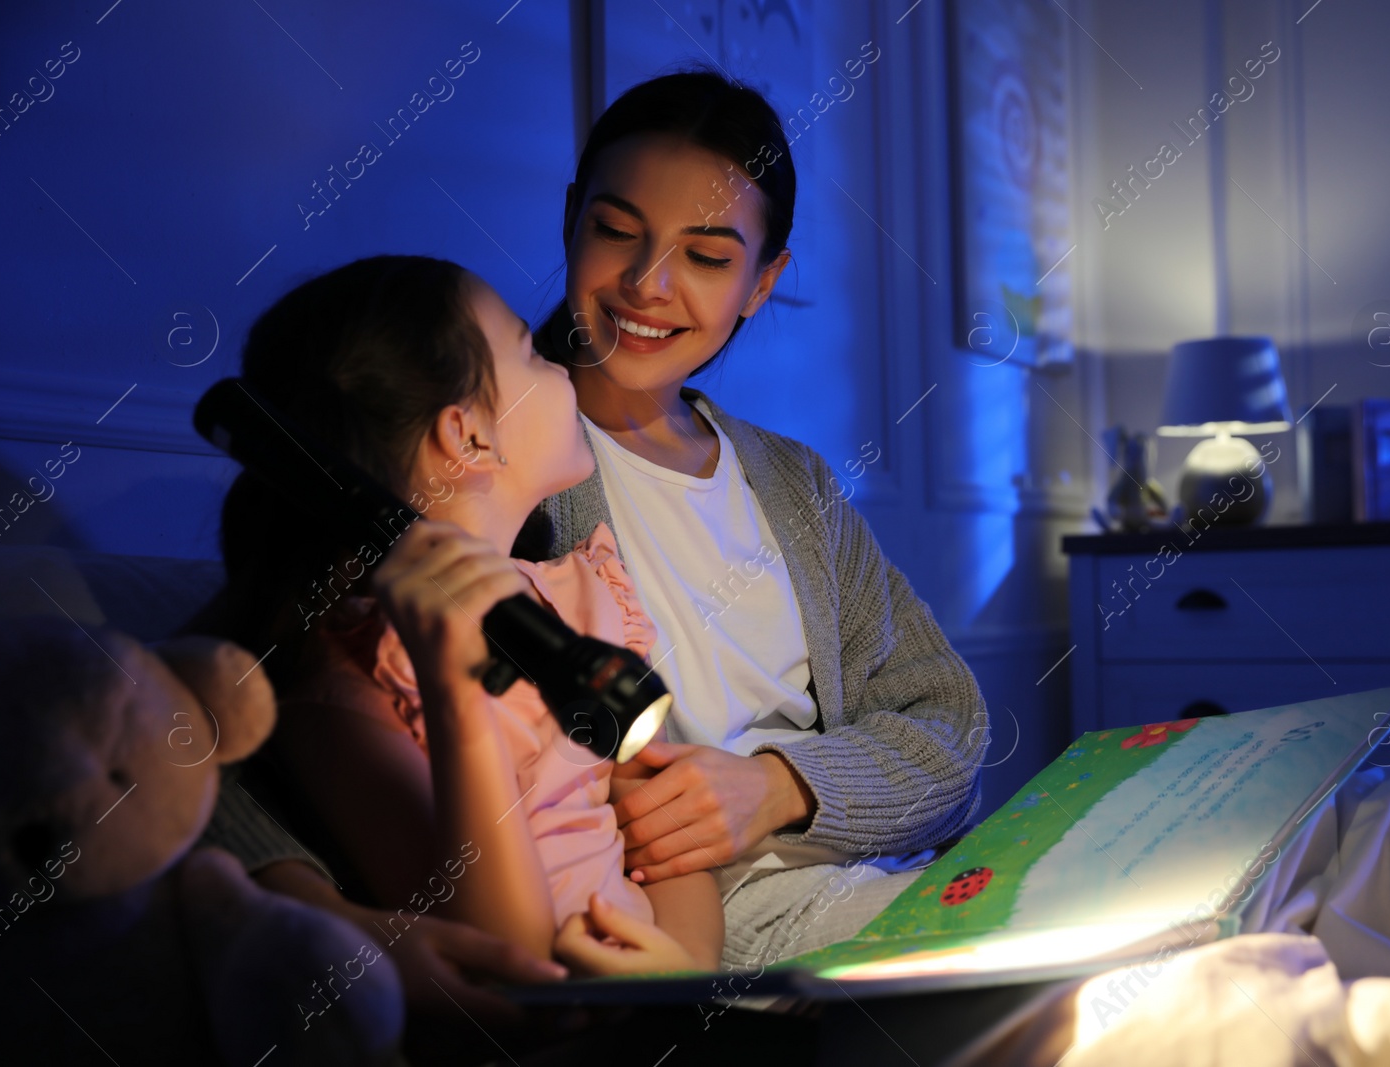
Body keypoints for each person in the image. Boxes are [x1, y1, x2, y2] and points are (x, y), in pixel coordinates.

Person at [515, 68, 989, 968]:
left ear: (763, 282)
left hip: (866, 876)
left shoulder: (794, 485)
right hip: (716, 925)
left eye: (706, 255)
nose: (649, 284)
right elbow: (281, 690)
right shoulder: (490, 455)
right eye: (617, 231)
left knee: (1322, 847)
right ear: (573, 218)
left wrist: (779, 788)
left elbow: (950, 729)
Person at [209, 255, 724, 977]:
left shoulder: (584, 602)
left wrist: (687, 971)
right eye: (532, 353)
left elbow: (669, 837)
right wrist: (455, 694)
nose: (563, 370)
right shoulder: (355, 682)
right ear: (470, 436)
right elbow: (503, 960)